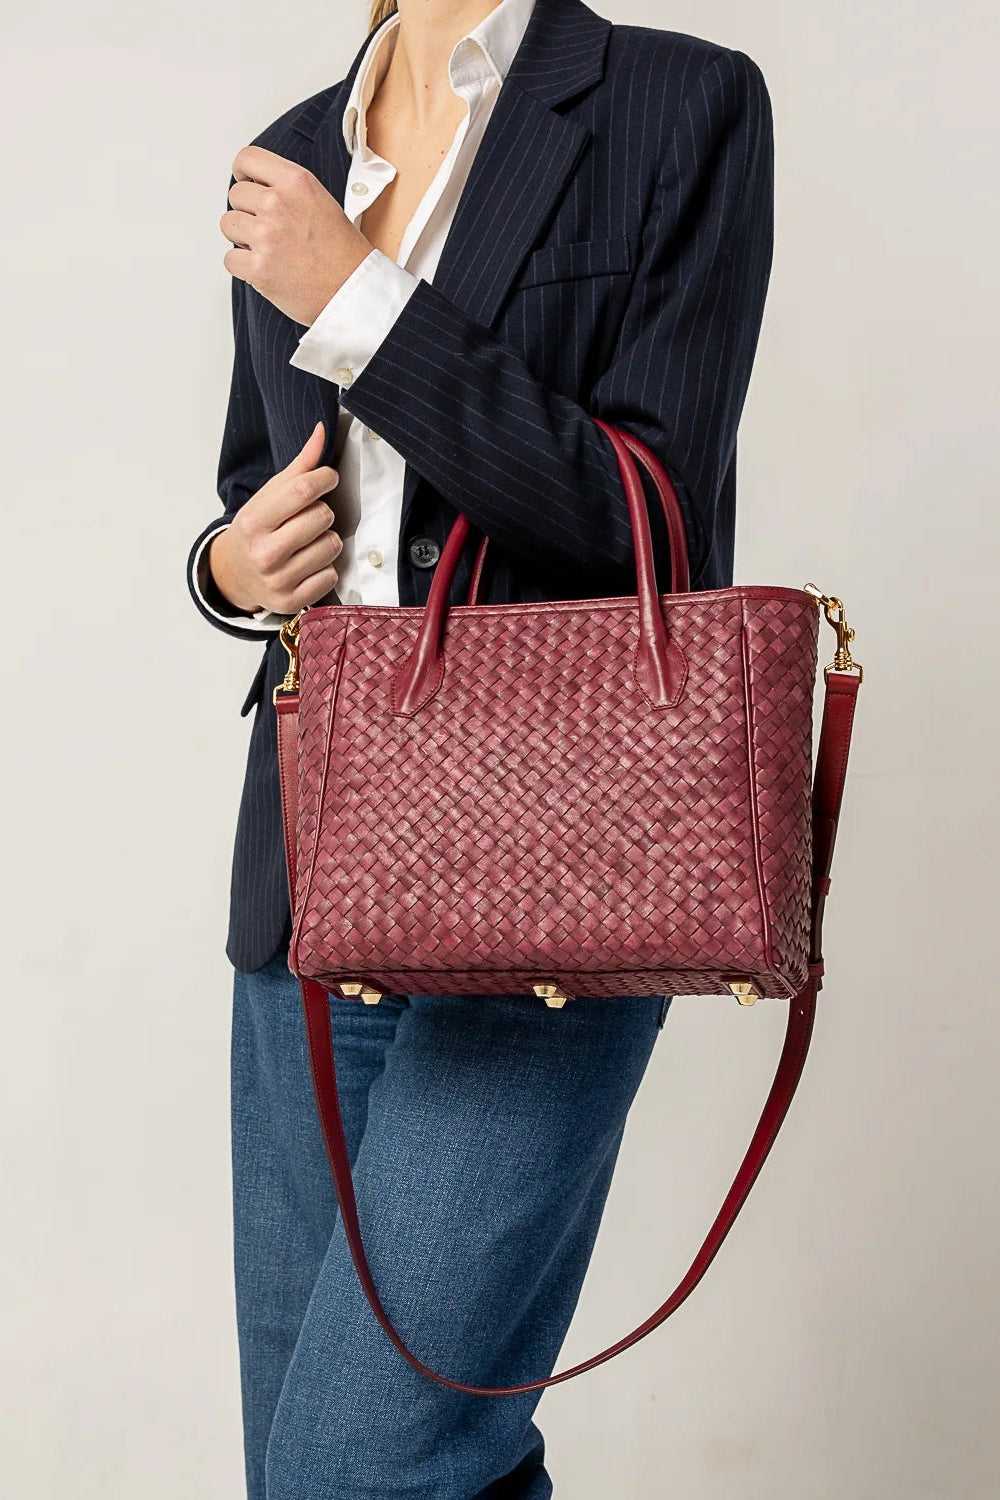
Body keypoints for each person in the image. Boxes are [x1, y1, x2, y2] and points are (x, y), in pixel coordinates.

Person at [185, 0, 774, 1493]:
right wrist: (226, 571)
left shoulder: (677, 104)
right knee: (356, 1466)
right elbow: (266, 484)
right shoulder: (297, 152)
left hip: (553, 881)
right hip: (314, 877)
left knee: (360, 1469)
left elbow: (653, 521)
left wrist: (364, 300)